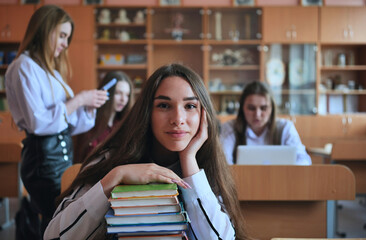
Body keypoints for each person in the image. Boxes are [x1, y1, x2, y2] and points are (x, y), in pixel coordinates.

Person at [44, 64, 248, 240]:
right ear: (146, 113)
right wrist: (116, 177)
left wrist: (189, 161)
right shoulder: (109, 159)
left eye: (190, 105)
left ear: (204, 114)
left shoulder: (206, 164)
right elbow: (54, 236)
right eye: (164, 105)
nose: (178, 118)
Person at [5, 5, 108, 234]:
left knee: (58, 217)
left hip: (59, 156)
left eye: (67, 38)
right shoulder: (23, 67)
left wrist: (89, 106)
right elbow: (38, 123)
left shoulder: (52, 72)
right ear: (44, 30)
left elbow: (69, 125)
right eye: (62, 36)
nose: (64, 44)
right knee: (57, 218)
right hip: (42, 158)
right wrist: (80, 99)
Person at [220, 81, 311, 165]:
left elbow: (304, 160)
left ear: (272, 109)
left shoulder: (285, 127)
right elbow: (223, 162)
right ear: (242, 108)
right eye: (251, 108)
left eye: (263, 108)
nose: (257, 114)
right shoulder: (230, 127)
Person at [75, 71, 134, 163]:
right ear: (105, 93)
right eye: (118, 93)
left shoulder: (123, 126)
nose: (123, 99)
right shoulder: (88, 121)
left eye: (127, 95)